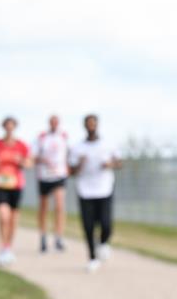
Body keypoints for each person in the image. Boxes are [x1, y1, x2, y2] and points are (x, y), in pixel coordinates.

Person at [68, 114, 122, 273]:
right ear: (84, 126)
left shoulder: (108, 144)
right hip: (85, 190)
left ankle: (103, 242)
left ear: (97, 125)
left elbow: (119, 162)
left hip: (104, 188)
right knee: (88, 226)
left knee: (106, 224)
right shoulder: (78, 148)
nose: (91, 126)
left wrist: (110, 164)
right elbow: (71, 171)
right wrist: (80, 164)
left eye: (93, 123)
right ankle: (92, 258)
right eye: (88, 124)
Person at [0, 117, 31, 266]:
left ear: (15, 128)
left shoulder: (21, 145)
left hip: (16, 185)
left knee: (13, 219)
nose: (9, 129)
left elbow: (29, 163)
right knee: (3, 216)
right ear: (3, 127)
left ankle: (8, 248)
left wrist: (21, 161)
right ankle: (3, 247)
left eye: (12, 126)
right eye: (7, 126)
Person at [33, 115, 69, 253]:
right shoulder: (41, 137)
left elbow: (68, 155)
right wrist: (43, 160)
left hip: (59, 175)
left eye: (56, 122)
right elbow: (34, 156)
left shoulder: (64, 137)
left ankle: (58, 236)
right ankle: (43, 236)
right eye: (52, 122)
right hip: (44, 176)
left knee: (59, 206)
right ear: (49, 123)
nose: (54, 124)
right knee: (44, 207)